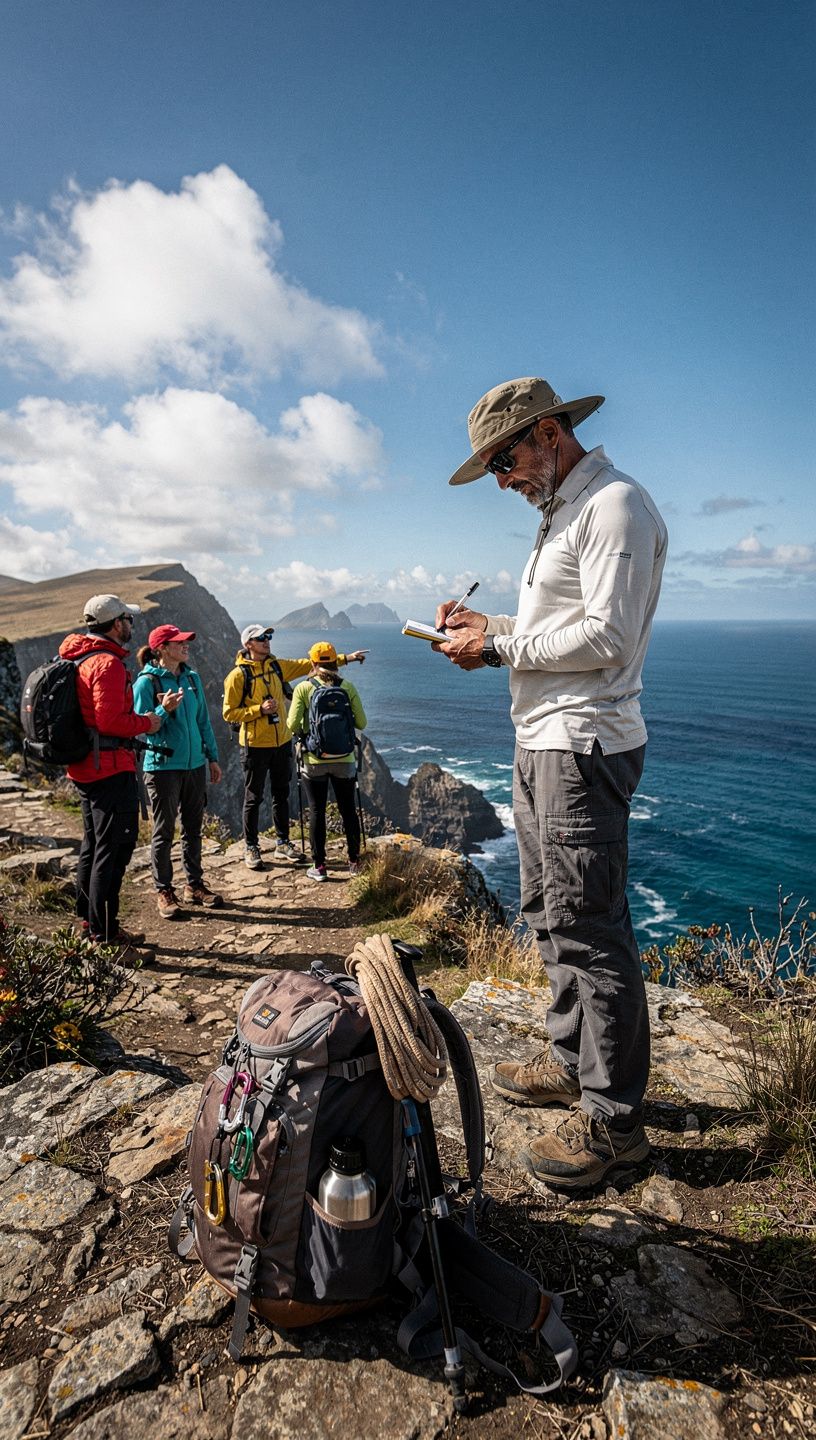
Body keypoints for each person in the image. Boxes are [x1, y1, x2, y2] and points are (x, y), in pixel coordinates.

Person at [436, 377, 668, 1190]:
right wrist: (489, 627)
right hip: (544, 741)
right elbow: (554, 630)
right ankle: (574, 1064)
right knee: (551, 911)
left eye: (503, 459)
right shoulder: (565, 513)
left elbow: (606, 635)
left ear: (548, 434)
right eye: (495, 466)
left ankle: (615, 1125)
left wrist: (498, 650)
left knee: (590, 926)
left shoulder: (614, 507)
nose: (501, 480)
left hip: (581, 745)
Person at [59, 593, 180, 948]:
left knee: (93, 847)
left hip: (86, 768)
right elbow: (110, 720)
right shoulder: (108, 664)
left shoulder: (81, 658)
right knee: (112, 852)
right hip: (109, 770)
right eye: (128, 619)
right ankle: (106, 935)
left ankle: (89, 922)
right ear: (116, 624)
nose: (132, 625)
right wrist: (150, 721)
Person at [223, 625, 366, 871]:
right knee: (254, 797)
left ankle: (282, 842)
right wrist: (259, 710)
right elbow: (228, 713)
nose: (267, 641)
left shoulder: (277, 666)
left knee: (281, 794)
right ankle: (251, 847)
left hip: (281, 742)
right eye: (261, 639)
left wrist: (348, 658)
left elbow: (308, 664)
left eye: (268, 637)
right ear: (249, 644)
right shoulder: (237, 676)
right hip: (254, 745)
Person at [133, 624, 223, 919]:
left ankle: (194, 885)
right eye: (179, 642)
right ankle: (164, 890)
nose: (186, 646)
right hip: (162, 768)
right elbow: (139, 729)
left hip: (195, 765)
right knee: (164, 830)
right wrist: (163, 710)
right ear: (162, 649)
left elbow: (203, 722)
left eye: (186, 641)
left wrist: (211, 757)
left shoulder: (192, 678)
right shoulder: (147, 683)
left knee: (193, 827)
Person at [287, 641, 367, 881]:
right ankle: (354, 862)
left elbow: (292, 725)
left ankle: (319, 867)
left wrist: (306, 732)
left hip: (314, 759)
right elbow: (361, 723)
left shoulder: (303, 688)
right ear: (335, 662)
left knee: (317, 811)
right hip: (344, 758)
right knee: (348, 811)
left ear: (313, 663)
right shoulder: (348, 687)